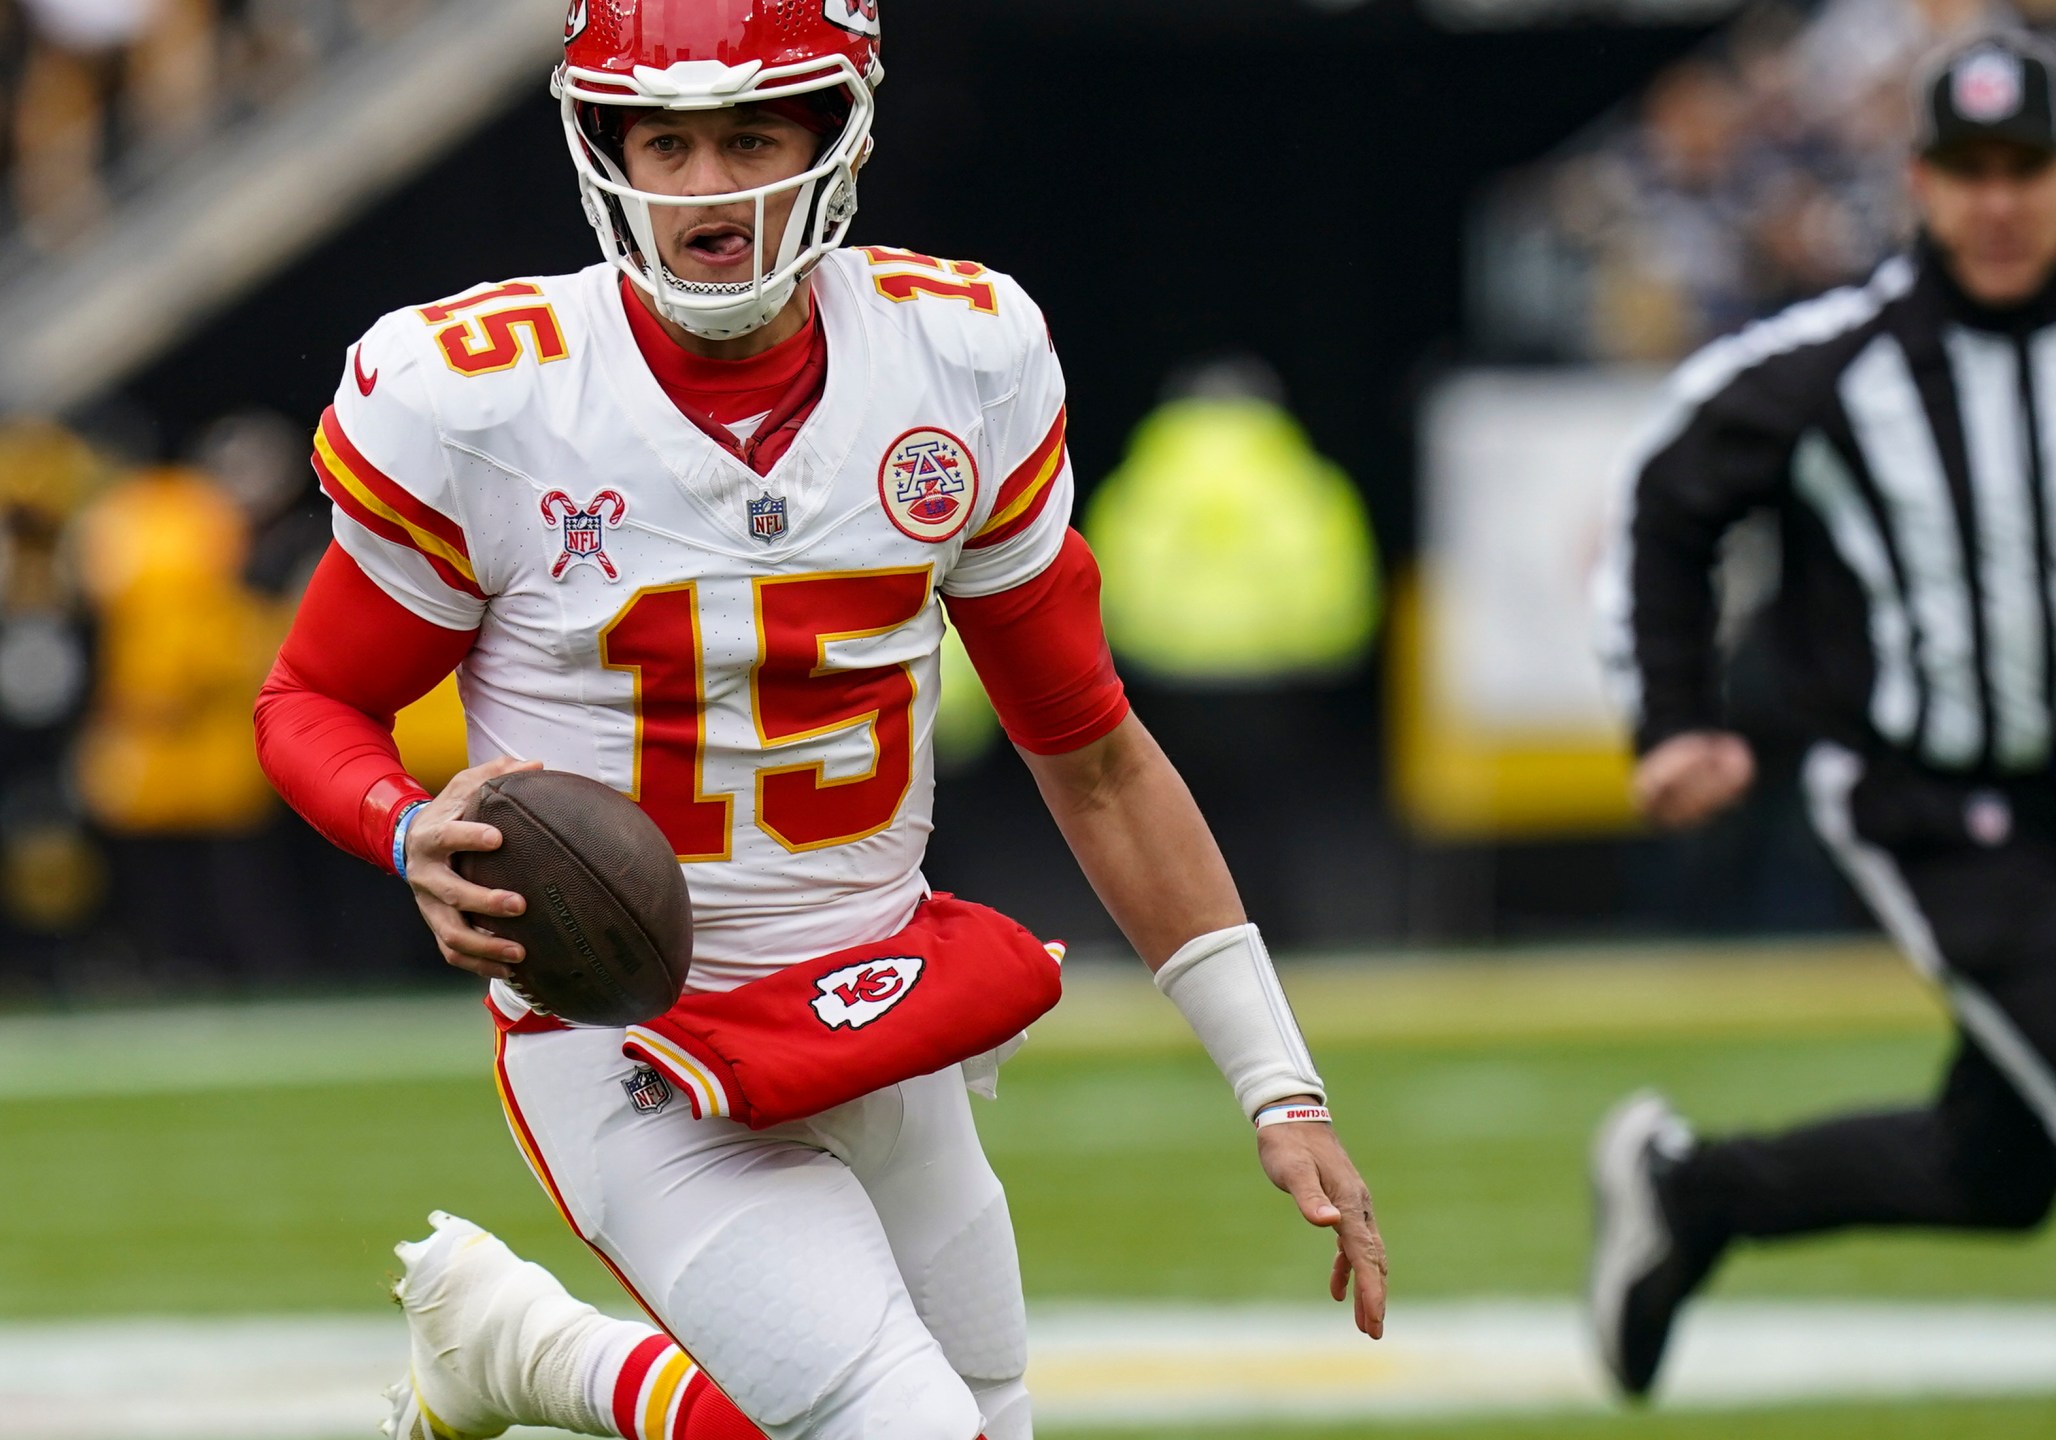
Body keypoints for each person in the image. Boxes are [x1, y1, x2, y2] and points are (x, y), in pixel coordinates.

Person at [250, 3, 1387, 1438]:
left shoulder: (957, 360)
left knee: (971, 1417)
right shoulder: (485, 400)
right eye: (668, 141)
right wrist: (403, 822)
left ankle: (529, 1354)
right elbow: (312, 699)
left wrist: (1279, 1090)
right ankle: (538, 1356)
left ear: (835, 137)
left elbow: (1093, 757)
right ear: (609, 148)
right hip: (631, 1034)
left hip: (872, 1002)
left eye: (751, 137)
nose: (709, 184)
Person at [1587, 33, 2056, 1440]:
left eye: (2025, 171)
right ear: (1919, 183)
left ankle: (1696, 1193)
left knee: (1998, 1172)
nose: (1997, 203)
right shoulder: (1835, 365)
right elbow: (1668, 493)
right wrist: (1675, 713)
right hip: (1918, 804)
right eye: (1967, 171)